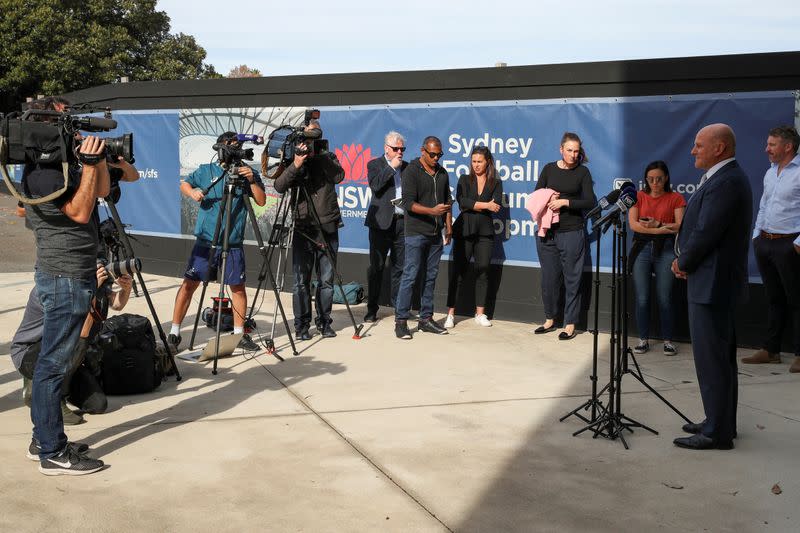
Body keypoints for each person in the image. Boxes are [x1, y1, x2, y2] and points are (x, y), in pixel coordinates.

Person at [22, 96, 109, 475]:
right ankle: (52, 453)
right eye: (64, 121)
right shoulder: (43, 172)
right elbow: (80, 211)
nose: (72, 128)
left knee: (53, 363)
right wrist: (87, 166)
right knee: (53, 366)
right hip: (64, 277)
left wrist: (97, 161)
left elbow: (102, 191)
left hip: (71, 273)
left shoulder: (59, 165)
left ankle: (44, 438)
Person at [672, 123, 752, 451]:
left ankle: (716, 433)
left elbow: (707, 231)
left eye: (699, 145)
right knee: (717, 358)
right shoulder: (723, 178)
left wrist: (683, 262)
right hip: (712, 282)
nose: (693, 150)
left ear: (719, 148)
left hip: (713, 285)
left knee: (712, 359)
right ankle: (719, 422)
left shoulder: (727, 180)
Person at [169, 132, 266, 352]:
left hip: (232, 243)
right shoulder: (207, 170)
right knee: (189, 285)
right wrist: (192, 192)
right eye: (231, 146)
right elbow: (185, 184)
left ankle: (239, 335)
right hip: (206, 241)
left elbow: (261, 200)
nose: (235, 150)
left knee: (238, 289)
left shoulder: (247, 172)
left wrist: (251, 180)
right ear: (221, 148)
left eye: (237, 146)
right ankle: (174, 332)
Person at [11, 263, 133, 424]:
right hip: (30, 352)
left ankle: (39, 390)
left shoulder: (88, 285)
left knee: (98, 405)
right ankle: (53, 398)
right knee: (74, 342)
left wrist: (126, 288)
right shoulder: (52, 287)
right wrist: (89, 292)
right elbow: (76, 334)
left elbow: (117, 304)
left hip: (63, 354)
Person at [273, 120, 345, 340]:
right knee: (300, 282)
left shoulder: (327, 156)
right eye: (308, 138)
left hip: (328, 225)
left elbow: (339, 176)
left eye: (316, 138)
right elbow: (279, 186)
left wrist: (321, 156)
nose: (311, 144)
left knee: (326, 281)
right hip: (303, 227)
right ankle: (301, 326)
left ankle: (324, 323)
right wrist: (296, 163)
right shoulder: (294, 156)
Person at [741, 126, 800, 373]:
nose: (766, 149)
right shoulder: (770, 173)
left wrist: (797, 244)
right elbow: (764, 205)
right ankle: (771, 350)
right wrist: (757, 236)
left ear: (788, 146)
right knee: (774, 298)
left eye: (772, 144)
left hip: (790, 244)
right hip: (766, 242)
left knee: (797, 299)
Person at [533, 132, 596, 340]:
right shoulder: (549, 169)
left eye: (576, 151)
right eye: (569, 150)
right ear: (561, 150)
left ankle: (570, 324)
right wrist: (549, 196)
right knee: (549, 280)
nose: (573, 155)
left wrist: (565, 202)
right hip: (547, 232)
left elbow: (590, 202)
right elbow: (536, 195)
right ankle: (550, 319)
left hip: (572, 232)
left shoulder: (583, 173)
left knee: (572, 280)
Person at [394, 136, 452, 339]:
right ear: (423, 151)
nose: (436, 157)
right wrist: (432, 211)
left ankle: (425, 319)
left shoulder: (442, 173)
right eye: (433, 154)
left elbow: (448, 202)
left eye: (439, 154)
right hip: (416, 233)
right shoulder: (411, 171)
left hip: (436, 235)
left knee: (430, 277)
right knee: (410, 275)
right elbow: (408, 203)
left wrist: (448, 226)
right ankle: (400, 321)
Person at [628, 161, 686, 356]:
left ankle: (668, 341)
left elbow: (680, 225)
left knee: (665, 298)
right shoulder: (638, 196)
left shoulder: (675, 198)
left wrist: (659, 225)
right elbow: (634, 225)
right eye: (651, 179)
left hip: (667, 248)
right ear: (646, 179)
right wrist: (658, 229)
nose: (655, 182)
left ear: (666, 178)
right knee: (642, 297)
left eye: (659, 179)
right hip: (642, 248)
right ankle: (643, 339)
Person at [445, 145, 503, 328]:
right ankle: (450, 314)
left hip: (485, 232)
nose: (476, 165)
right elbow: (463, 203)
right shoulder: (464, 179)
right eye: (474, 161)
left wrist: (476, 205)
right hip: (464, 230)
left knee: (483, 270)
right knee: (458, 272)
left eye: (480, 161)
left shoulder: (495, 182)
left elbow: (497, 205)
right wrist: (486, 205)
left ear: (488, 162)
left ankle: (480, 313)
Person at [363, 131, 408, 323]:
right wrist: (391, 167)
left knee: (400, 268)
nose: (399, 152)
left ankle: (399, 308)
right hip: (381, 224)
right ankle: (372, 309)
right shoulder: (375, 164)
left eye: (402, 149)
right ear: (386, 149)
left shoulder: (407, 167)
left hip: (402, 223)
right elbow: (376, 186)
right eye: (396, 149)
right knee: (377, 268)